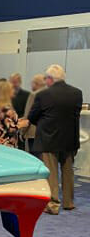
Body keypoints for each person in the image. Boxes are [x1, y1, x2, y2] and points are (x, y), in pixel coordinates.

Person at [21, 64, 82, 215]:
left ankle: (53, 205)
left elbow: (32, 117)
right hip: (70, 139)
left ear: (50, 79)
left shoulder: (43, 95)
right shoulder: (77, 93)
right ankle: (68, 202)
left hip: (49, 139)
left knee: (52, 173)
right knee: (68, 171)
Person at [19, 74, 47, 156]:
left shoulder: (34, 95)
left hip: (33, 133)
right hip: (45, 133)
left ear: (36, 83)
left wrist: (22, 132)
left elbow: (28, 115)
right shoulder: (49, 94)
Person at [0, 80, 19, 147]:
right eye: (12, 89)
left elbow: (2, 124)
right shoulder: (8, 110)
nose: (14, 91)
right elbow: (11, 130)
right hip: (6, 144)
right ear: (7, 92)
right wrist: (22, 124)